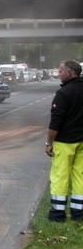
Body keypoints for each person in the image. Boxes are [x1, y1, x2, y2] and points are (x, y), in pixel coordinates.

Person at [46, 60, 83, 221]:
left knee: (60, 176)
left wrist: (49, 143)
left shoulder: (63, 94)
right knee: (80, 176)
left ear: (69, 72)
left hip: (65, 142)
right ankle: (79, 213)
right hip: (82, 142)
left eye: (60, 71)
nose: (58, 74)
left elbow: (56, 122)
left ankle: (57, 214)